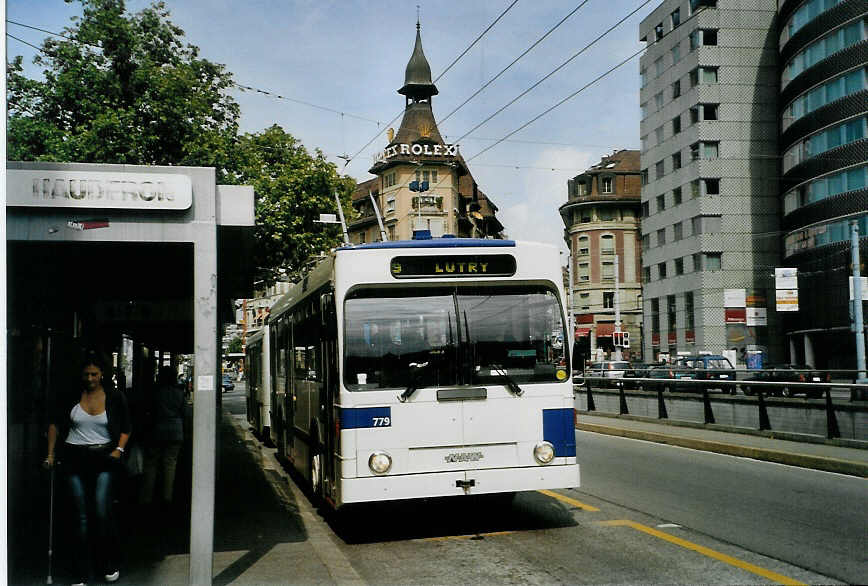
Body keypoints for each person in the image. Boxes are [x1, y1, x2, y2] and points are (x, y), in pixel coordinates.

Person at [45, 350, 131, 585]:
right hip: (74, 458)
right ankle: (82, 571)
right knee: (80, 516)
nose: (90, 379)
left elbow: (126, 428)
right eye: (86, 375)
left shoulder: (115, 397)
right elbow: (55, 425)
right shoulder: (71, 396)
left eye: (94, 374)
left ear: (102, 374)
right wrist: (51, 454)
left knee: (102, 511)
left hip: (104, 458)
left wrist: (119, 450)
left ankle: (107, 561)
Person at [140, 365, 186, 510]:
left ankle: (146, 497)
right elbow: (185, 412)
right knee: (170, 464)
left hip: (158, 428)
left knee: (151, 463)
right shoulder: (179, 393)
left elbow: (149, 411)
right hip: (176, 430)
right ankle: (167, 496)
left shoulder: (155, 393)